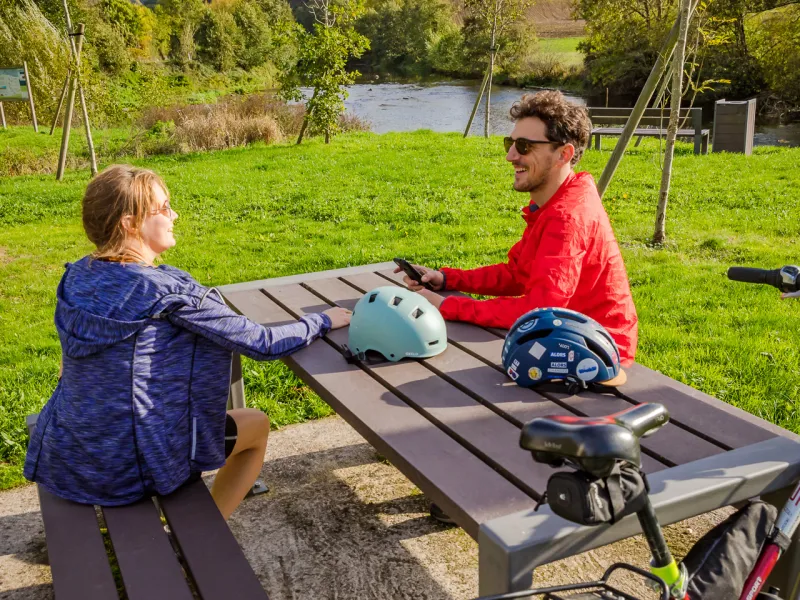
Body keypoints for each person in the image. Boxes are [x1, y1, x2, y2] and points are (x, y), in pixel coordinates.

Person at [24, 165, 351, 519]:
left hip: (69, 452)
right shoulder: (167, 293)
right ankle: (210, 530)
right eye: (164, 208)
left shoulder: (77, 277)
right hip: (130, 467)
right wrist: (324, 319)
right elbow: (263, 342)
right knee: (255, 425)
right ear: (130, 224)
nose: (174, 215)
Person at [395, 91, 639, 366]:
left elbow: (540, 311)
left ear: (563, 154)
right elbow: (518, 274)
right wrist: (448, 279)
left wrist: (445, 305)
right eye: (510, 143)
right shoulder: (557, 202)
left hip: (594, 356)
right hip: (566, 338)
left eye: (523, 146)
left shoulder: (567, 217)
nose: (510, 156)